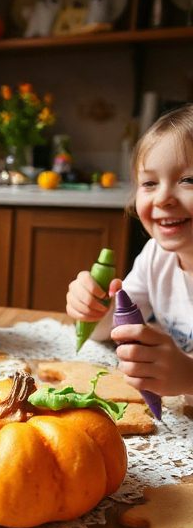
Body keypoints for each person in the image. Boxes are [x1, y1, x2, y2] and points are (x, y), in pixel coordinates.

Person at [66, 104, 193, 403]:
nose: (162, 198)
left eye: (189, 180)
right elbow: (114, 329)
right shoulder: (155, 256)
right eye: (149, 183)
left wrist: (190, 377)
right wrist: (95, 310)